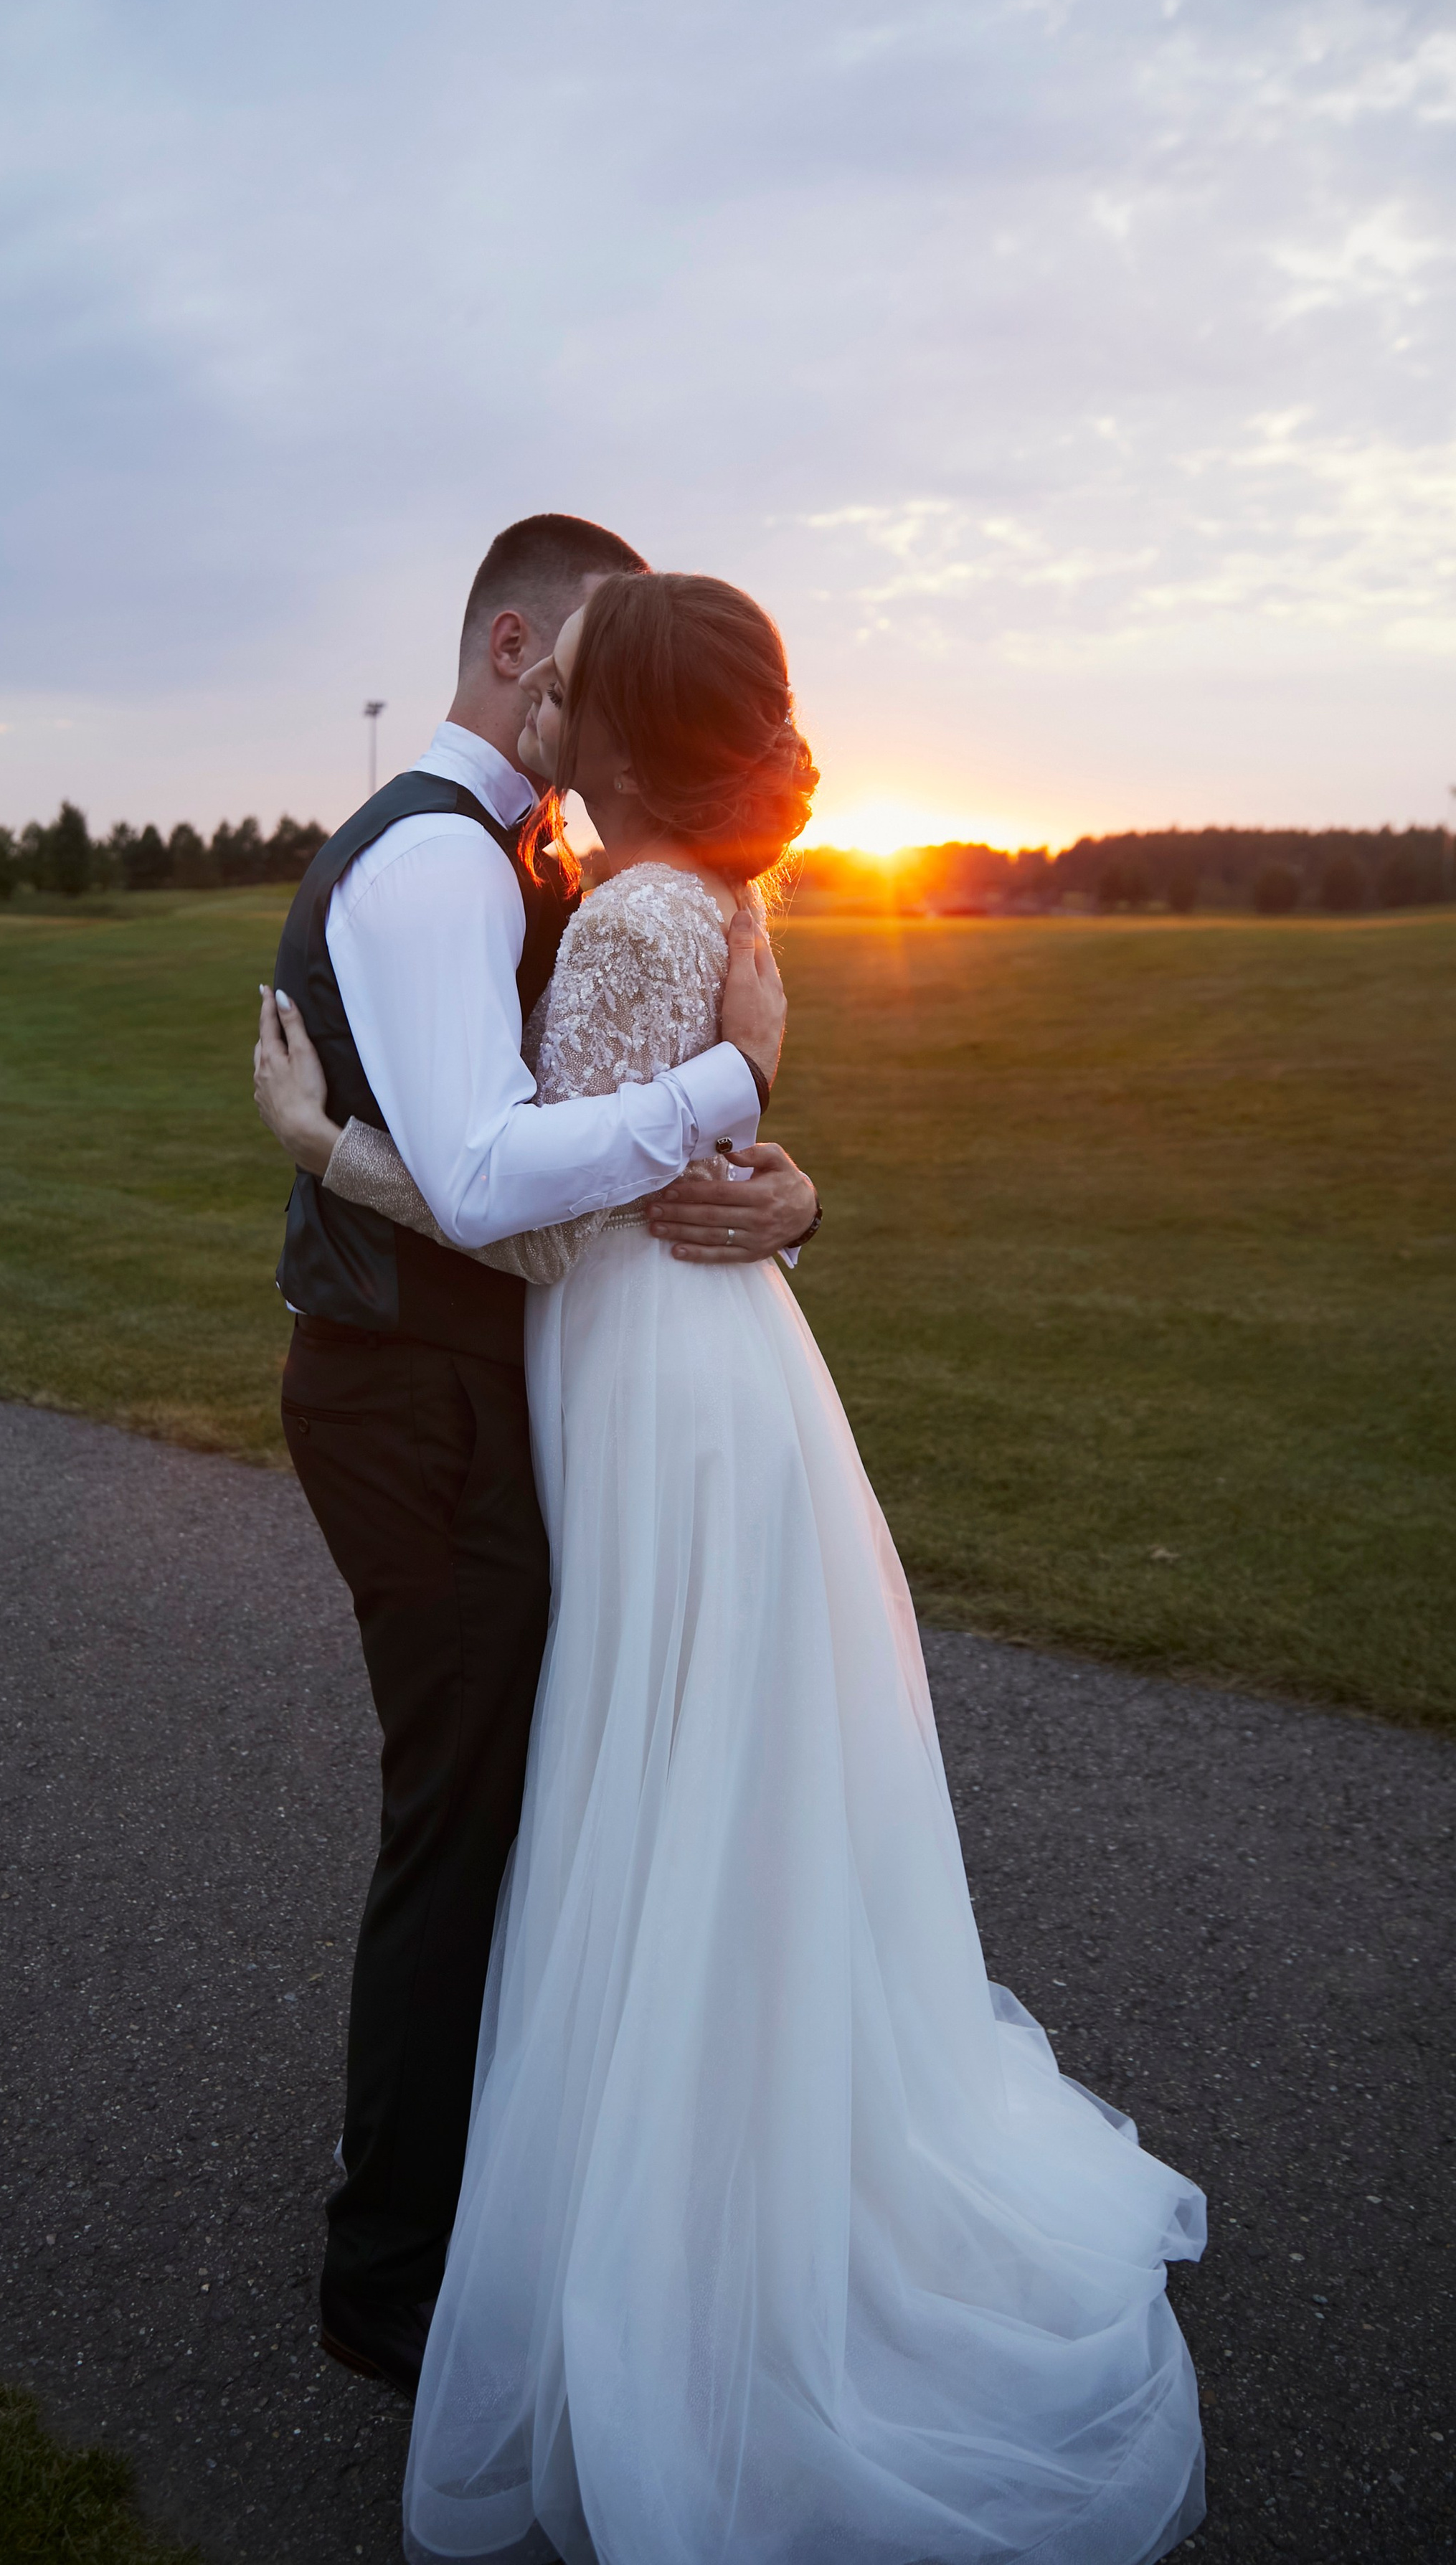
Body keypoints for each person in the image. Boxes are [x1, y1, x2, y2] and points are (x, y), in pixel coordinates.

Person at [256, 570, 1206, 2565]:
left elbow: (529, 1221)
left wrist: (330, 1146)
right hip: (714, 1368)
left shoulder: (625, 908)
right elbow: (650, 1156)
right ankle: (689, 2169)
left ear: (609, 727)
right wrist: (760, 1138)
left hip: (650, 1380)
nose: (554, 704)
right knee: (699, 1787)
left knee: (645, 1783)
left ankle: (647, 2237)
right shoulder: (700, 889)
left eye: (582, 685)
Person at [260, 517, 820, 2404]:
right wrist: (736, 1092)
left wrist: (778, 1173)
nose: (601, 696)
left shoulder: (556, 857)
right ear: (516, 644)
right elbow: (495, 1181)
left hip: (513, 1379)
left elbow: (590, 1125)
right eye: (585, 658)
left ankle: (504, 2195)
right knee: (467, 1811)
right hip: (411, 1397)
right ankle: (391, 2275)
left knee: (538, 1800)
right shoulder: (430, 863)